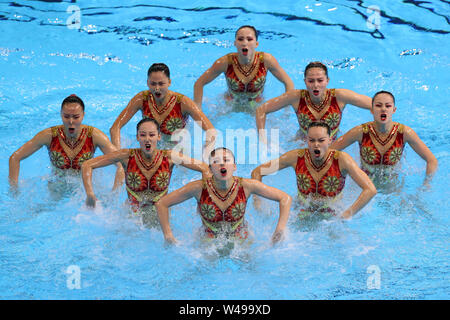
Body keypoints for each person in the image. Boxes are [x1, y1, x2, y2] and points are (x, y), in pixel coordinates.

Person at [82, 118, 210, 225]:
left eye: (152, 135)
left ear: (159, 137)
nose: (147, 139)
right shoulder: (126, 156)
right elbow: (88, 165)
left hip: (160, 214)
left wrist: (203, 203)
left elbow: (204, 168)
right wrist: (90, 194)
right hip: (132, 215)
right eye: (143, 135)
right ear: (137, 137)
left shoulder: (170, 157)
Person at [155, 147, 292, 244]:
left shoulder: (246, 186)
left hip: (242, 241)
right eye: (216, 161)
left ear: (234, 166)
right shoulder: (198, 188)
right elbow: (162, 203)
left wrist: (280, 229)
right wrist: (168, 235)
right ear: (210, 169)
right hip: (208, 242)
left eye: (226, 160)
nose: (222, 163)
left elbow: (285, 198)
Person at [251, 122, 377, 220]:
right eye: (312, 140)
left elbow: (370, 190)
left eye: (321, 140)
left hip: (333, 213)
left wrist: (348, 213)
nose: (316, 145)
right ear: (306, 140)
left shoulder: (342, 160)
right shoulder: (295, 158)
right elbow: (258, 172)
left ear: (330, 140)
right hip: (302, 209)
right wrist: (257, 201)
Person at [9, 94, 123, 188]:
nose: (71, 121)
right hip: (57, 183)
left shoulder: (94, 136)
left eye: (76, 117)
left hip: (83, 186)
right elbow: (15, 157)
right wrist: (14, 189)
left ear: (83, 115)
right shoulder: (49, 136)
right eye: (66, 116)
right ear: (61, 115)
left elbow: (121, 164)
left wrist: (114, 194)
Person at [330, 90, 438, 188]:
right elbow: (329, 151)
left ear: (394, 110)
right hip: (364, 185)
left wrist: (426, 185)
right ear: (372, 110)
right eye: (378, 105)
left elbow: (432, 160)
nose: (383, 109)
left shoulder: (405, 133)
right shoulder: (360, 132)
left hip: (392, 186)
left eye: (388, 106)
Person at [256, 61, 372, 143]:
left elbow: (375, 105)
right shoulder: (296, 97)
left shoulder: (339, 97)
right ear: (305, 81)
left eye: (320, 80)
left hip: (333, 145)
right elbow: (261, 110)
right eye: (311, 81)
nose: (315, 85)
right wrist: (263, 139)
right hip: (302, 144)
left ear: (327, 81)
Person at [110, 63, 216, 149]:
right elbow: (115, 128)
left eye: (161, 84)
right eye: (153, 84)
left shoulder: (182, 102)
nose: (157, 88)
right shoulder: (141, 99)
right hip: (151, 145)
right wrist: (117, 155)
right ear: (147, 83)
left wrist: (206, 151)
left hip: (179, 147)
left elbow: (211, 130)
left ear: (169, 82)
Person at [193, 25, 294, 112]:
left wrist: (287, 111)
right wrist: (198, 110)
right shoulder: (225, 62)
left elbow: (288, 82)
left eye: (249, 39)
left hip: (257, 105)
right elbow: (199, 84)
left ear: (256, 44)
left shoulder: (266, 60)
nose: (244, 43)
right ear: (235, 43)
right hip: (230, 104)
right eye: (240, 39)